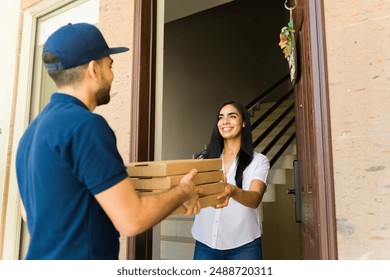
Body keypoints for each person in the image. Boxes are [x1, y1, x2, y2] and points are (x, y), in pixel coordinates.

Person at [15, 22, 202, 260]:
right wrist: (183, 191)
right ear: (93, 69)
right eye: (110, 65)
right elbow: (131, 220)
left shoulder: (30, 133)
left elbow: (27, 211)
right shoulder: (85, 126)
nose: (112, 75)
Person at [192, 100, 270, 260]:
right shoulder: (204, 159)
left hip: (244, 246)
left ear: (243, 123)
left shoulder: (259, 161)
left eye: (232, 116)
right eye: (221, 117)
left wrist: (233, 191)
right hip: (205, 243)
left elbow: (255, 198)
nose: (225, 122)